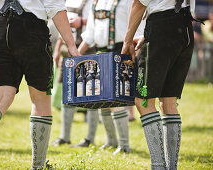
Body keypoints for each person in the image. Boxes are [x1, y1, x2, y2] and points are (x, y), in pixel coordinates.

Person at [0, 0, 80, 170]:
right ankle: (38, 166)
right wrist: (72, 46)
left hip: (1, 26)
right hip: (32, 28)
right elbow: (56, 7)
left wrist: (0, 18)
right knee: (40, 100)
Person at [121, 0, 195, 169]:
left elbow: (139, 4)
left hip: (162, 26)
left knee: (143, 100)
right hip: (185, 26)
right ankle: (171, 167)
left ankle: (158, 166)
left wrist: (127, 41)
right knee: (168, 101)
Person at [78, 0, 145, 154]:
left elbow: (140, 26)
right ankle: (111, 141)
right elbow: (89, 34)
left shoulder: (128, 1)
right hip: (101, 53)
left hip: (122, 51)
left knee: (116, 99)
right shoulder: (96, 2)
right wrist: (77, 54)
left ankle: (124, 145)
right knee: (103, 99)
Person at [52, 0, 99, 148]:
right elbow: (63, 26)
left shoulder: (92, 2)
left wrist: (81, 21)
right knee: (68, 93)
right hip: (67, 52)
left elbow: (98, 23)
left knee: (92, 94)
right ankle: (64, 137)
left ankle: (90, 139)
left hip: (87, 50)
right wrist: (58, 49)